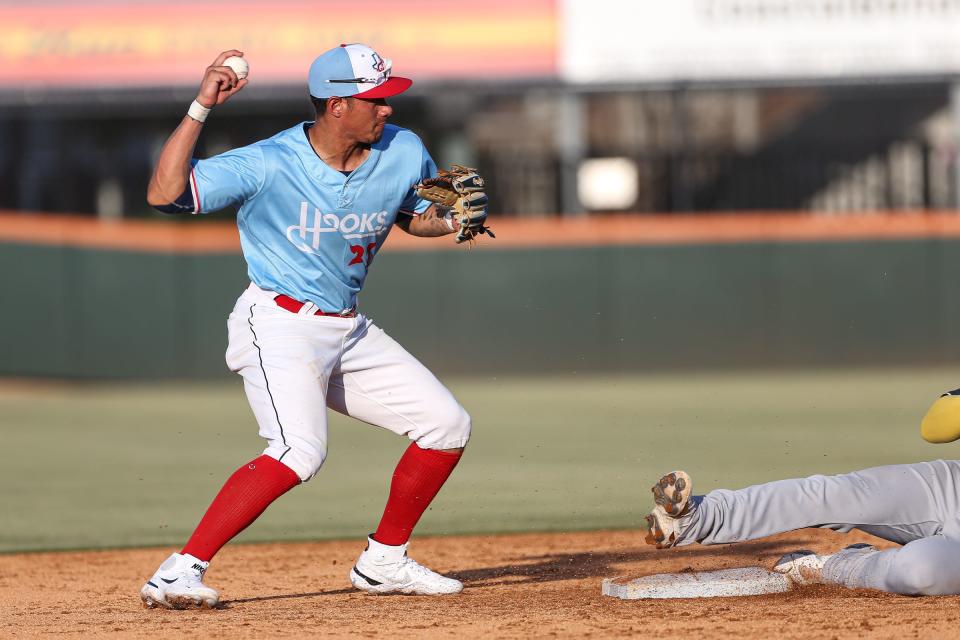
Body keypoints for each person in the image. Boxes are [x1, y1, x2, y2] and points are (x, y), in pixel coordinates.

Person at [139, 45, 489, 609]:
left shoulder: (403, 151)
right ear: (336, 105)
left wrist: (450, 218)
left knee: (446, 425)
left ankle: (384, 561)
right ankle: (180, 570)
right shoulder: (269, 161)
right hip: (279, 322)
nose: (387, 111)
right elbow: (165, 194)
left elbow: (411, 218)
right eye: (375, 101)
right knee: (297, 451)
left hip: (347, 329)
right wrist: (201, 107)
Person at [642, 387, 960, 597]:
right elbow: (934, 426)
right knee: (832, 493)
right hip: (952, 487)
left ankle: (842, 566)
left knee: (922, 570)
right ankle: (697, 517)